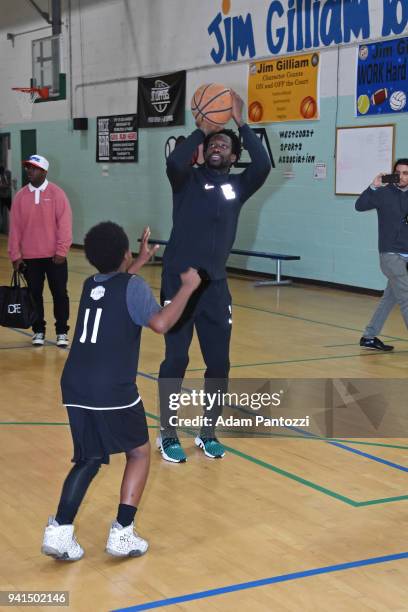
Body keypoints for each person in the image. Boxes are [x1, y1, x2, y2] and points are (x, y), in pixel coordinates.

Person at [41, 222, 201, 561]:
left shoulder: (89, 285)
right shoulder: (134, 286)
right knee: (140, 453)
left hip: (75, 383)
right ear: (124, 254)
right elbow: (159, 323)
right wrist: (188, 288)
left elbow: (117, 282)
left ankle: (59, 530)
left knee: (89, 458)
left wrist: (138, 260)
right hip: (111, 386)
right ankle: (123, 533)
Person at [157, 90, 271, 463]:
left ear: (234, 156)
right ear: (204, 152)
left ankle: (208, 432)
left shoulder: (237, 187)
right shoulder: (185, 180)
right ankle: (168, 432)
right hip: (179, 283)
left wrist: (241, 121)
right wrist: (200, 129)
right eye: (212, 144)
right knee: (176, 360)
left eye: (225, 144)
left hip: (216, 288)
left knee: (219, 363)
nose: (218, 147)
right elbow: (174, 159)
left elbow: (264, 165)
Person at [7, 154, 72, 347]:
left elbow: (65, 225)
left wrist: (62, 251)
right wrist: (15, 256)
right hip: (30, 258)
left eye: (33, 168)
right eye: (27, 168)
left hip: (55, 258)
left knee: (60, 294)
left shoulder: (57, 194)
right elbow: (15, 229)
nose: (29, 171)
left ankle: (61, 331)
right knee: (34, 296)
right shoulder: (20, 196)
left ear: (44, 172)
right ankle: (39, 331)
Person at [356, 158, 408, 351]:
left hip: (406, 255)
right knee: (406, 297)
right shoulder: (384, 193)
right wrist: (373, 186)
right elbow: (359, 206)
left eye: (406, 173)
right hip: (390, 255)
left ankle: (369, 336)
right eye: (398, 172)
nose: (401, 177)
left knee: (390, 298)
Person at [0, 165, 12, 234]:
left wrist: (4, 186)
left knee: (13, 212)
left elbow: (10, 183)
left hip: (8, 196)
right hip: (1, 196)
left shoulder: (8, 173)